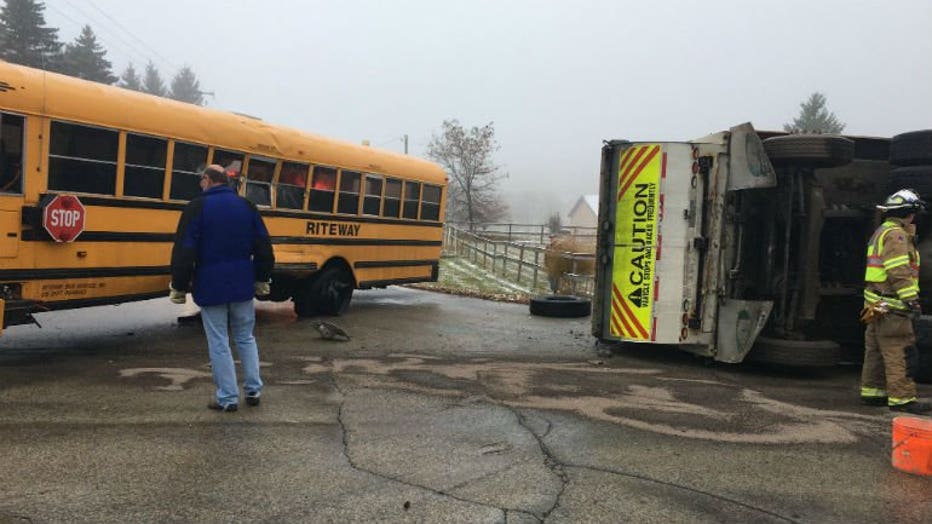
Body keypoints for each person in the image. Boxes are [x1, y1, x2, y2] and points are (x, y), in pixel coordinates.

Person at [170, 164, 274, 412]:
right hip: (242, 283)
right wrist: (262, 278)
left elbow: (184, 250)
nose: (200, 185)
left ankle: (227, 398)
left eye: (201, 181)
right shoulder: (246, 206)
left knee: (219, 341)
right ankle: (253, 389)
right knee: (246, 337)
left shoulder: (196, 207)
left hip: (211, 283)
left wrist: (180, 285)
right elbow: (263, 245)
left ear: (207, 180)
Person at [860, 188, 932, 414]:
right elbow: (898, 270)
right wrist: (911, 299)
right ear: (910, 214)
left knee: (875, 350)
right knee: (899, 349)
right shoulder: (897, 236)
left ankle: (873, 392)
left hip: (876, 305)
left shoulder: (881, 231)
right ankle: (902, 398)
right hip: (892, 307)